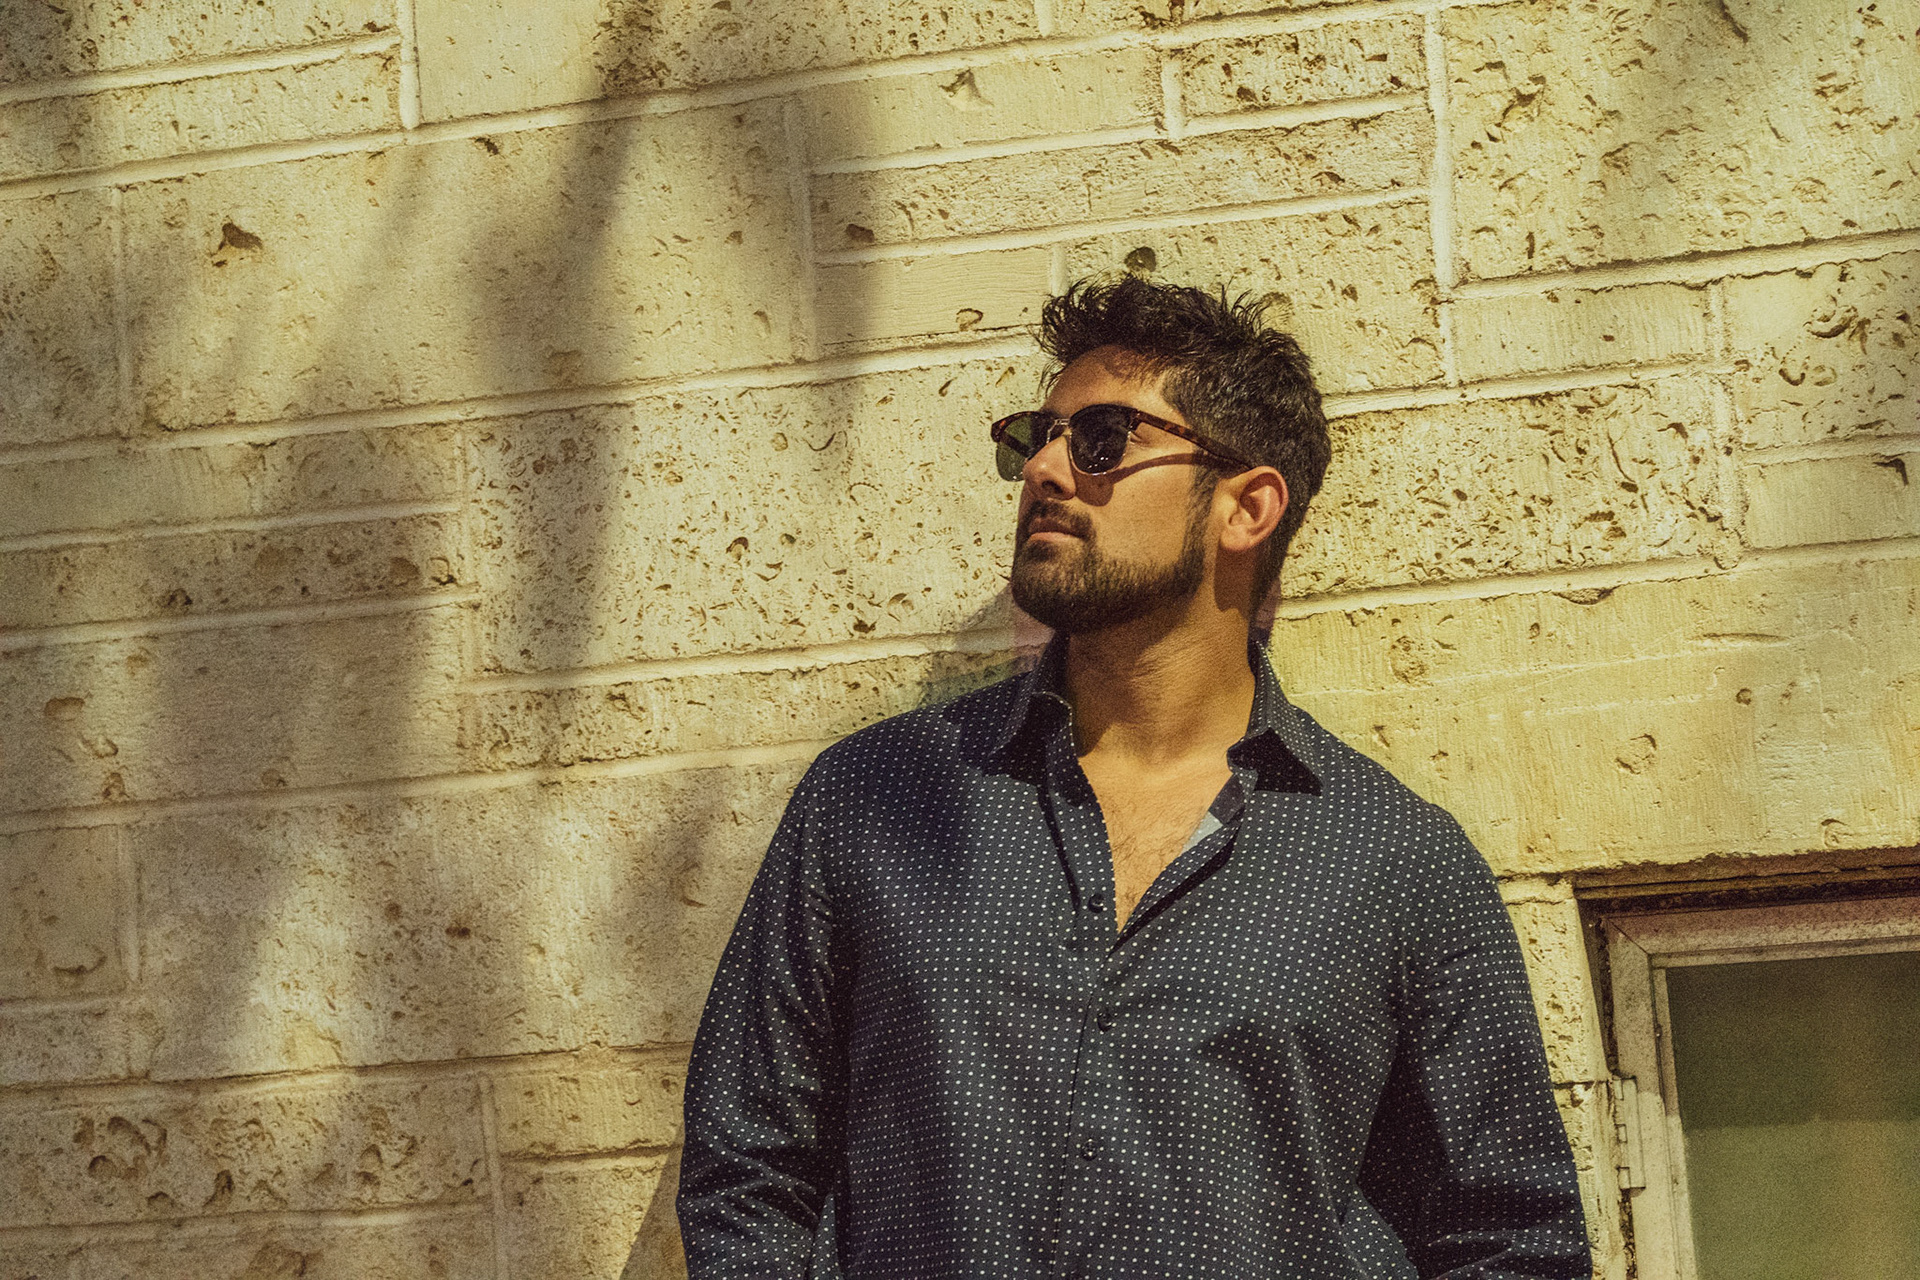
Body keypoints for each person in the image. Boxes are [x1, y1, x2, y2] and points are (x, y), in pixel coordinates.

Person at [676, 276, 1590, 1278]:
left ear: (1247, 506)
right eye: (1040, 438)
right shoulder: (877, 798)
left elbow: (1511, 1236)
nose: (1046, 469)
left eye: (1104, 438)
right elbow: (747, 1167)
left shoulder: (1395, 862)